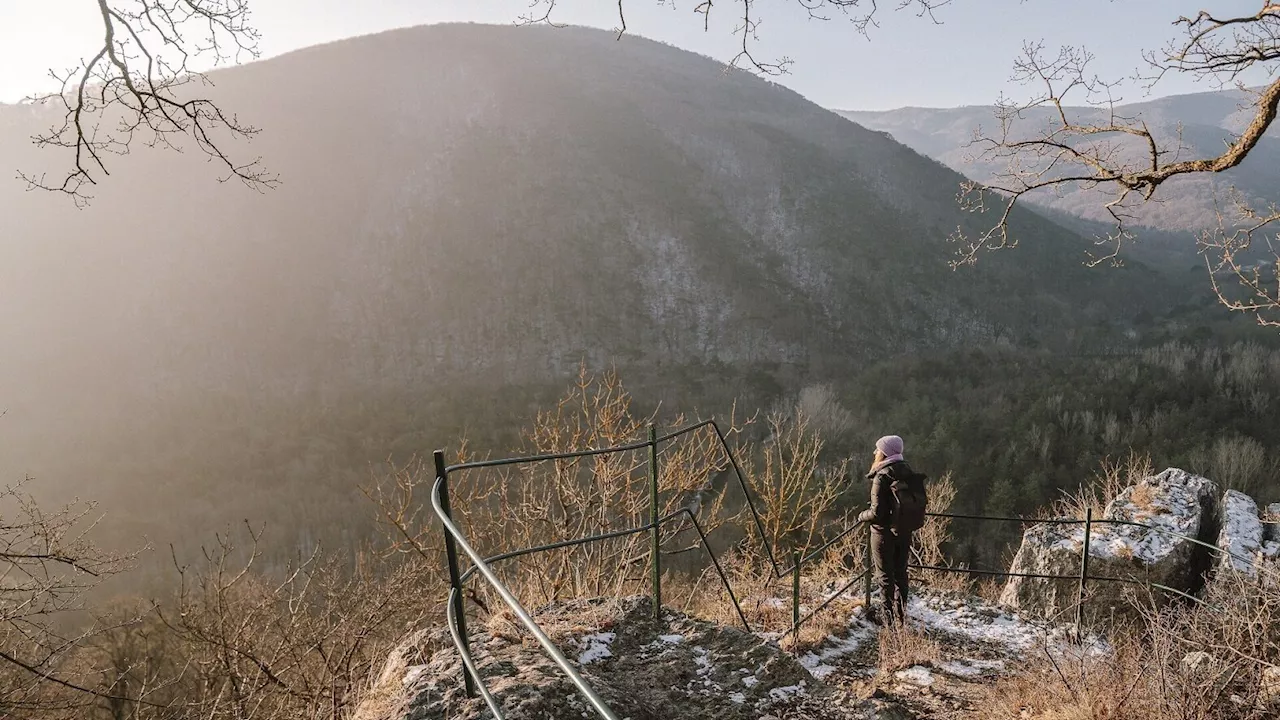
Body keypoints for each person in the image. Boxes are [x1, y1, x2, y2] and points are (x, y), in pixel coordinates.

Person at [857, 435, 928, 628]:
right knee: (900, 572)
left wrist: (861, 516)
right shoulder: (907, 470)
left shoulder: (882, 475)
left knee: (885, 576)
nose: (875, 452)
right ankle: (901, 615)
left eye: (877, 449)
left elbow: (877, 512)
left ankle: (886, 618)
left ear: (885, 452)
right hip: (904, 529)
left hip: (883, 533)